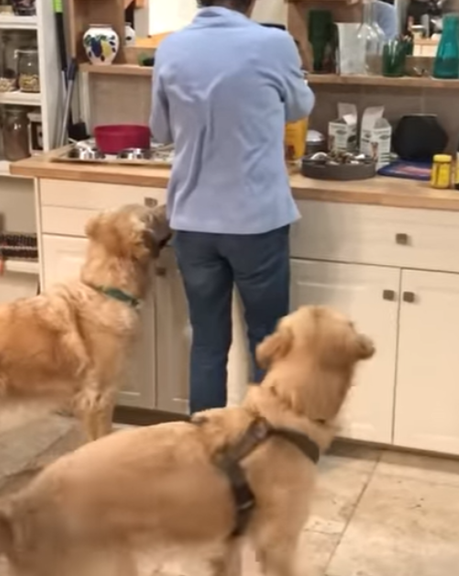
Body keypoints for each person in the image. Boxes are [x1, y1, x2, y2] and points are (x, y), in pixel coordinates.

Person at [149, 0, 314, 414]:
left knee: (207, 340)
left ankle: (204, 447)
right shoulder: (274, 44)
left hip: (193, 219)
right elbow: (300, 107)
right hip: (255, 219)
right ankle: (262, 441)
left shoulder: (171, 48)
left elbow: (160, 130)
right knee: (266, 338)